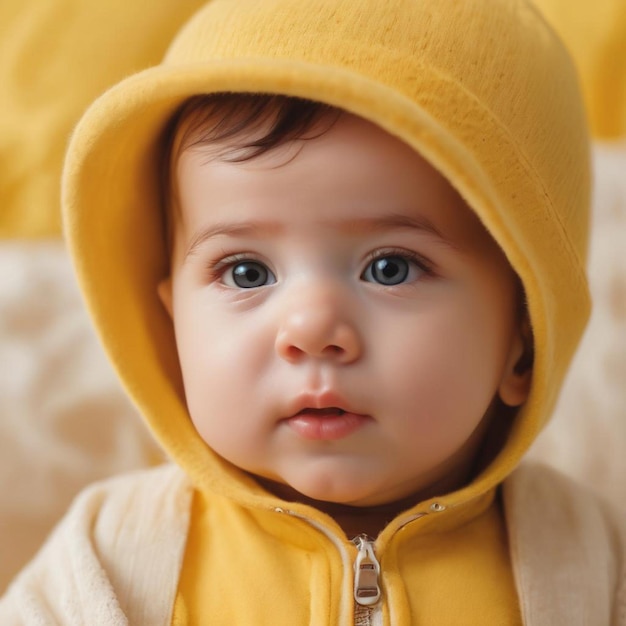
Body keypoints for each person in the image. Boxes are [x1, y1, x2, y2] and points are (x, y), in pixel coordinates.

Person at [1, 0, 624, 623]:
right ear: (173, 328)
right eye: (247, 272)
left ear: (523, 339)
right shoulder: (108, 558)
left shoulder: (589, 562)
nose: (312, 331)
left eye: (391, 268)